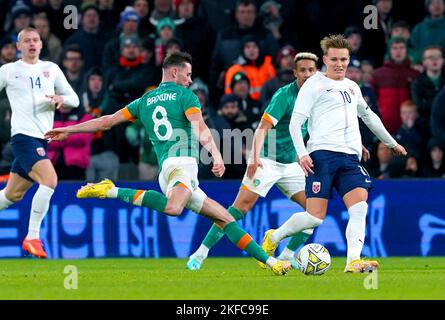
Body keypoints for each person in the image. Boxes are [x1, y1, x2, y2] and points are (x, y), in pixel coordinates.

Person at [45, 51, 291, 276]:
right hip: (180, 167)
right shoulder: (185, 95)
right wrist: (216, 154)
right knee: (174, 209)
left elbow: (107, 121)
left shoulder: (145, 100)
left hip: (171, 169)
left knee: (226, 219)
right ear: (175, 72)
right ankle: (111, 190)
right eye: (188, 74)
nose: (190, 80)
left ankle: (272, 263)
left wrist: (70, 128)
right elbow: (199, 126)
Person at [269, 35, 407, 273]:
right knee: (314, 218)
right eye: (334, 59)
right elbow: (296, 122)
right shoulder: (314, 84)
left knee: (360, 207)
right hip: (321, 156)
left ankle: (353, 261)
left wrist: (390, 142)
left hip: (350, 158)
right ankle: (274, 236)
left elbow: (368, 116)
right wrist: (302, 154)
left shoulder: (353, 87)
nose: (339, 64)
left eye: (343, 59)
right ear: (325, 59)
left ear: (349, 59)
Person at [186, 52, 319, 270]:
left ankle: (287, 254)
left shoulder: (318, 97)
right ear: (295, 73)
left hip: (291, 163)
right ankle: (200, 254)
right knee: (238, 209)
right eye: (302, 70)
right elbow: (262, 128)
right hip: (266, 159)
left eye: (311, 70)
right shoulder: (284, 96)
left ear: (316, 73)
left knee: (315, 211)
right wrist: (254, 158)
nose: (306, 74)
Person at [0, 27, 79, 258]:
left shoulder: (51, 69)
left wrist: (61, 98)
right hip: (23, 137)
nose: (32, 44)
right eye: (26, 41)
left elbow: (73, 99)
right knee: (50, 179)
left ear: (42, 45)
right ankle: (32, 237)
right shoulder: (8, 70)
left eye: (35, 40)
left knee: (11, 195)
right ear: (18, 46)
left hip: (43, 139)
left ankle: (32, 237)